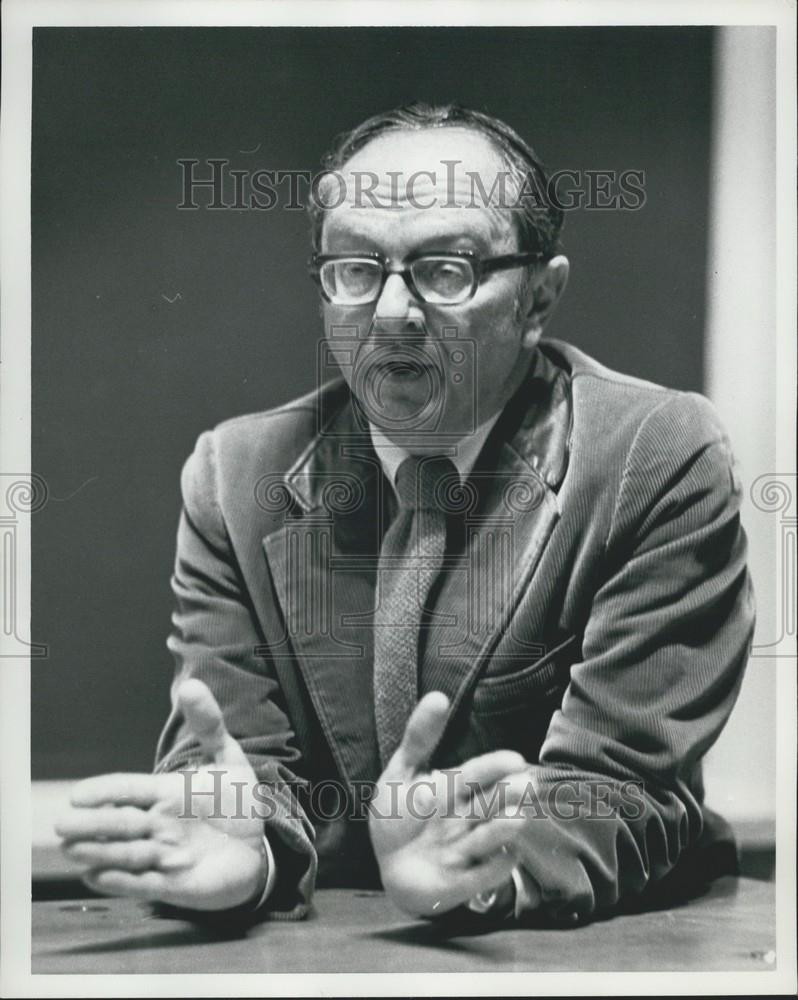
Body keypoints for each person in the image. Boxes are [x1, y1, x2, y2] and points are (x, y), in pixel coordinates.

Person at [56, 103, 754, 926]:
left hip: (586, 942)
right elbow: (234, 760)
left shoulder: (656, 457)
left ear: (539, 299)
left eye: (446, 269)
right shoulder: (235, 475)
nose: (390, 313)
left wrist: (485, 866)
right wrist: (244, 855)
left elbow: (629, 788)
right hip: (324, 948)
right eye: (355, 267)